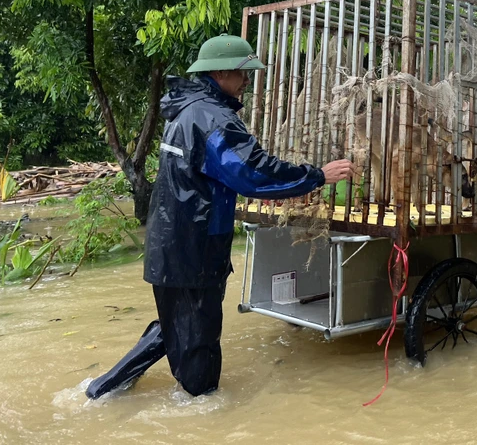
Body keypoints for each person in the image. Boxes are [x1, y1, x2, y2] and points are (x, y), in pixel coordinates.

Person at [86, 34, 354, 399]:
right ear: (223, 72)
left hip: (168, 246)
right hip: (195, 251)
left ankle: (100, 390)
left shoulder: (185, 109)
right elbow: (251, 174)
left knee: (175, 325)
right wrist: (318, 175)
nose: (247, 82)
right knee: (199, 347)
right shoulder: (213, 118)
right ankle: (198, 413)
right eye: (244, 74)